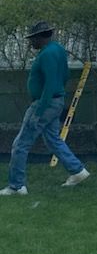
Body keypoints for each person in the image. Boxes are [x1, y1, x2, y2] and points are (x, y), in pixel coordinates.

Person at [0, 20, 90, 196]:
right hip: (56, 101)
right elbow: (64, 77)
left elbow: (50, 83)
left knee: (20, 145)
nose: (31, 42)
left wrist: (39, 111)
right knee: (52, 139)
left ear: (41, 37)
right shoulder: (57, 50)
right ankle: (78, 171)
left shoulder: (47, 54)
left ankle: (16, 186)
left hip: (44, 103)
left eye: (33, 38)